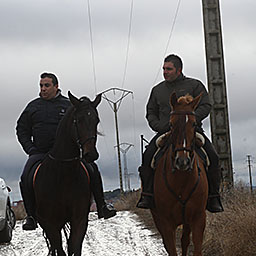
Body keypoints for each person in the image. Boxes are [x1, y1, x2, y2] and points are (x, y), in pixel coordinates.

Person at [16, 72, 116, 230]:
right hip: (40, 153)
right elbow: (21, 130)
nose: (43, 89)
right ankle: (31, 216)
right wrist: (31, 149)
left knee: (93, 170)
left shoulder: (68, 105)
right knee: (25, 177)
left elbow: (81, 127)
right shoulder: (32, 107)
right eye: (41, 86)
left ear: (56, 86)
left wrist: (80, 147)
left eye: (47, 85)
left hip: (68, 154)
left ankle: (102, 206)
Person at [136, 54, 223, 213]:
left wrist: (190, 120)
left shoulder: (195, 85)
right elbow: (150, 112)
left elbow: (206, 105)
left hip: (191, 131)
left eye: (168, 69)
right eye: (163, 69)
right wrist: (160, 126)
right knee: (148, 156)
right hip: (166, 132)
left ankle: (213, 197)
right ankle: (147, 195)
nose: (165, 72)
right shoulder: (157, 90)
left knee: (213, 157)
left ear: (179, 70)